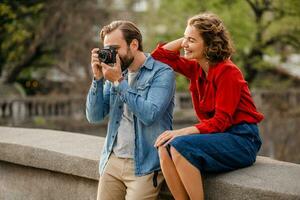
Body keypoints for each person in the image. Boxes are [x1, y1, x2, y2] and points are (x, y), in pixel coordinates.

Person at [152, 12, 264, 200]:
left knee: (178, 145)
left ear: (209, 44)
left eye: (192, 40)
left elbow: (220, 122)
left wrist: (180, 132)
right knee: (164, 147)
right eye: (185, 39)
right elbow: (159, 57)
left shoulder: (228, 72)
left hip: (243, 139)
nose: (185, 45)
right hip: (219, 136)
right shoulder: (196, 68)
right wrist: (189, 37)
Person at [86, 20, 175, 200]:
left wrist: (119, 82)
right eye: (107, 49)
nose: (111, 55)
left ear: (134, 44)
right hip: (112, 160)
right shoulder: (116, 72)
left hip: (144, 165)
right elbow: (94, 117)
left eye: (115, 49)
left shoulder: (162, 73)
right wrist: (97, 79)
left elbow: (150, 114)